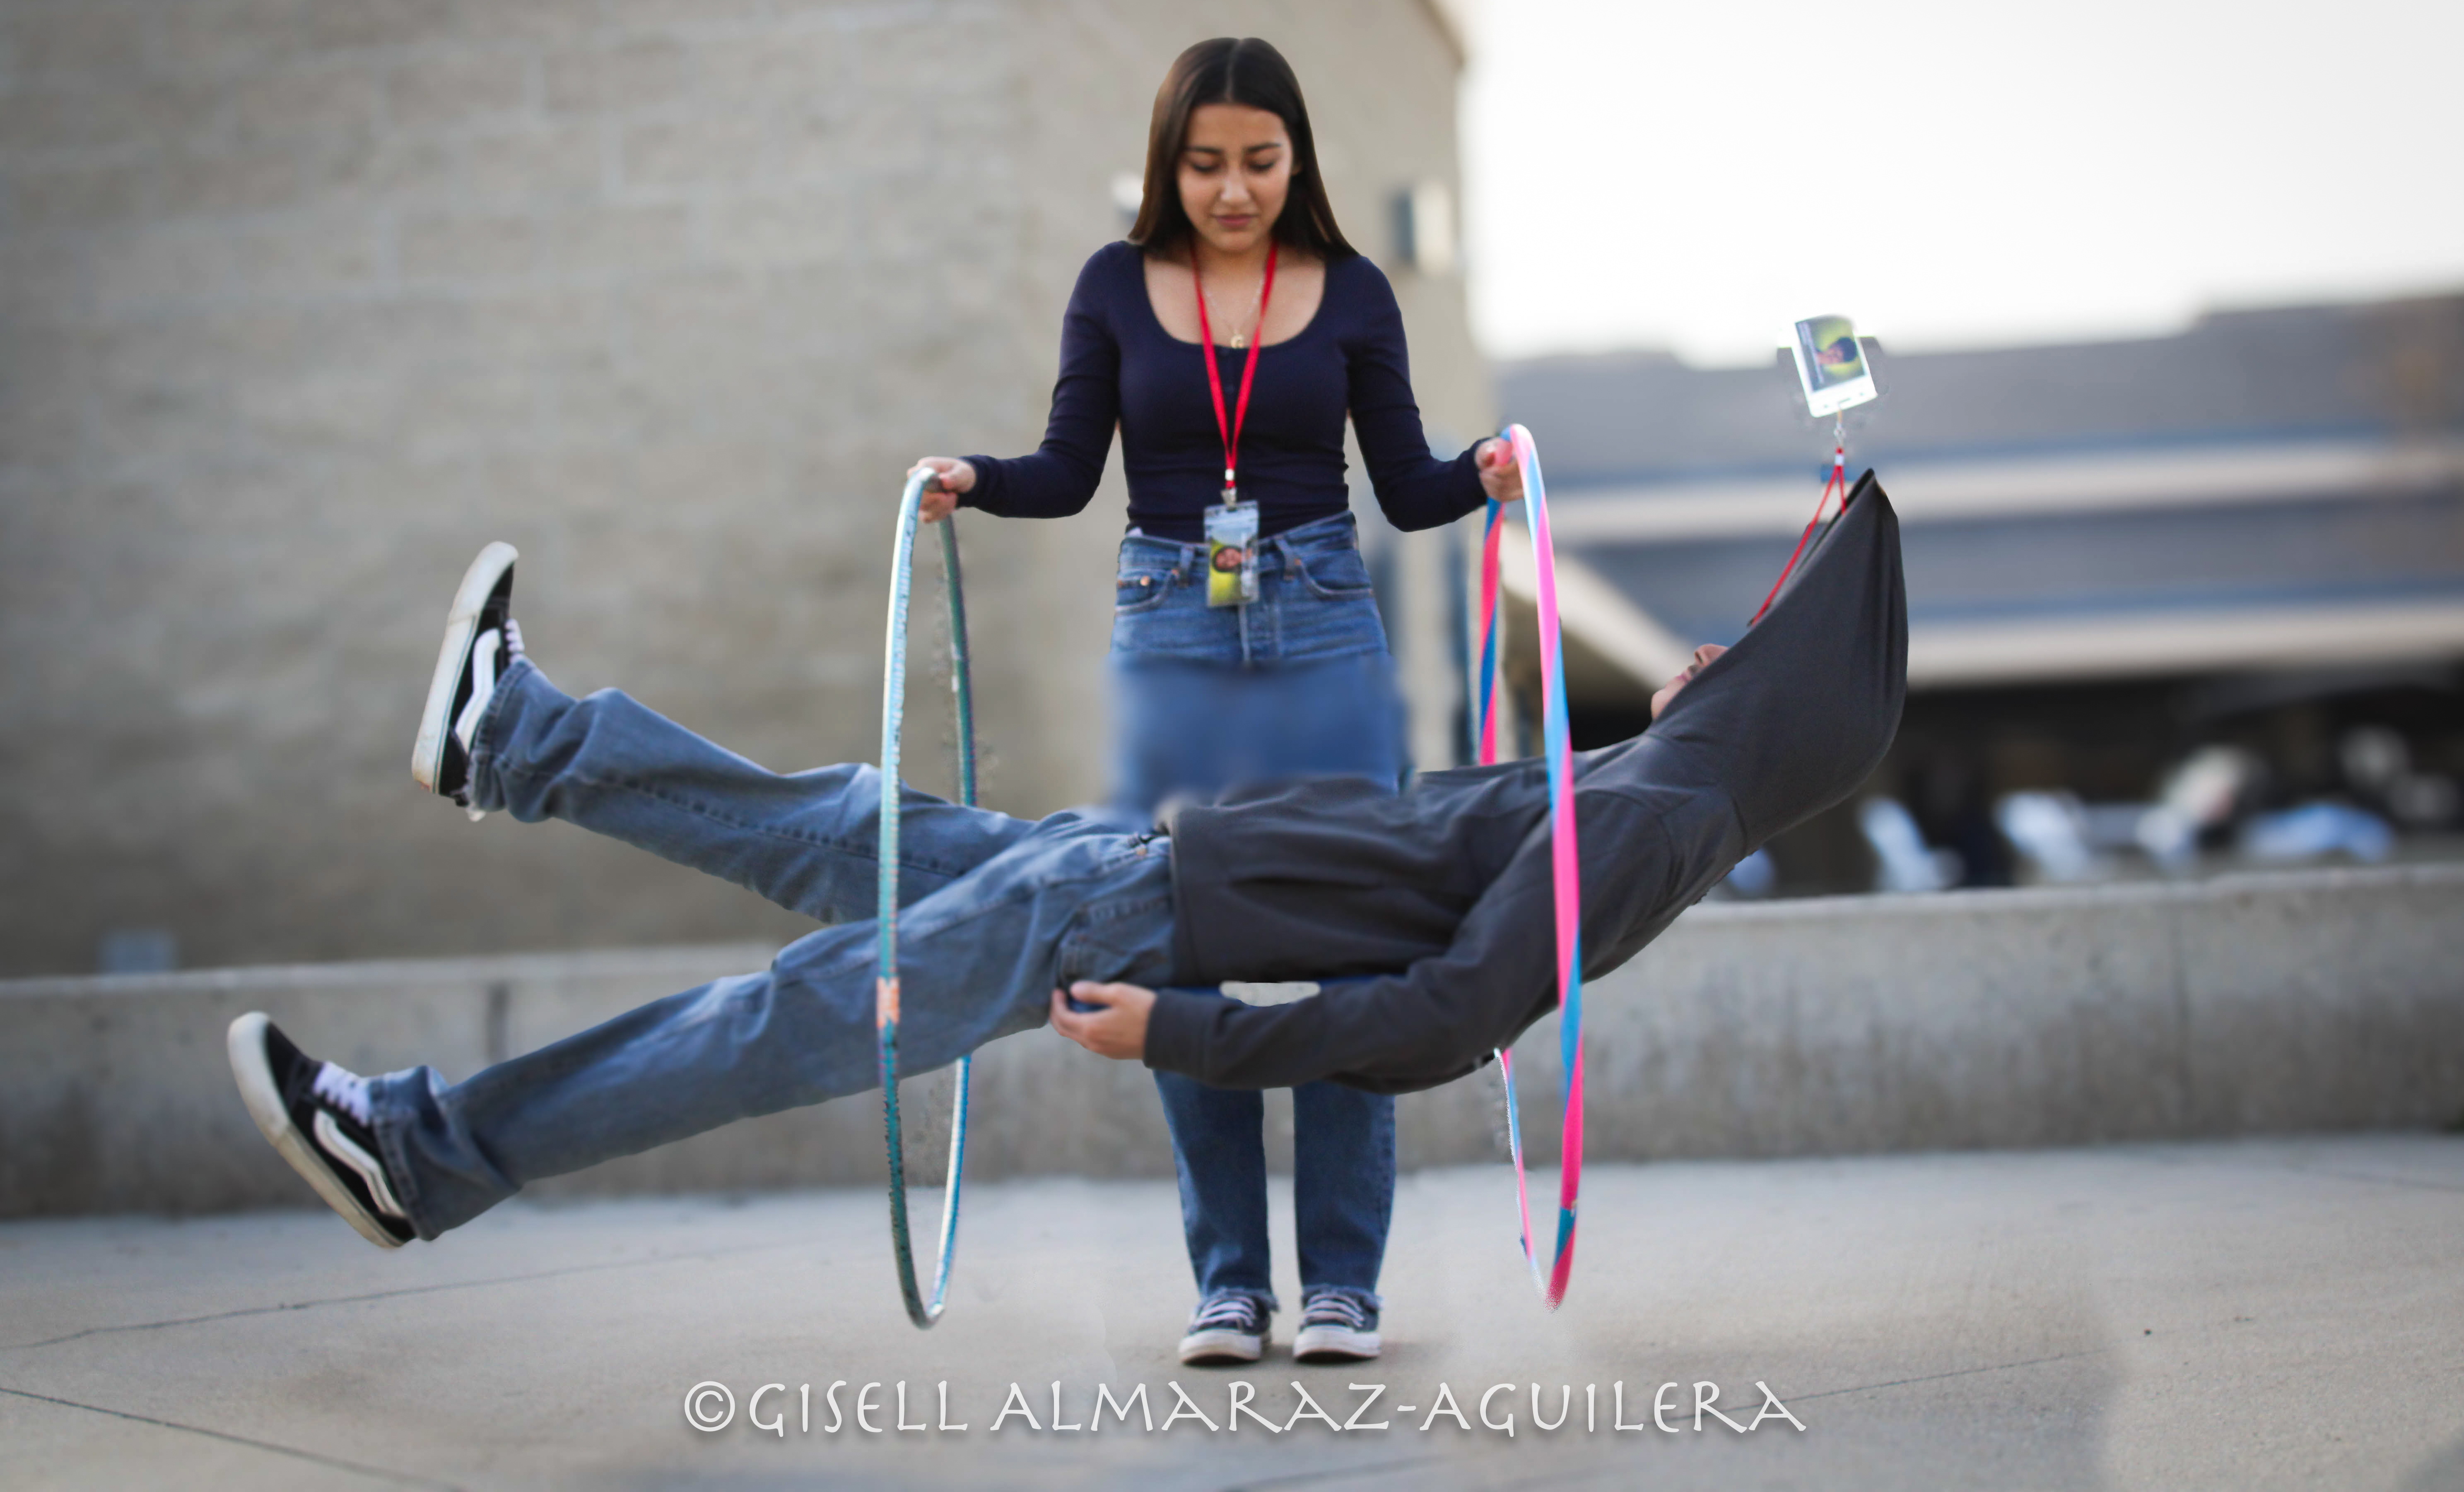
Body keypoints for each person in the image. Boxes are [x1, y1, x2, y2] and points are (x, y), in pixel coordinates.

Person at [230, 474, 1905, 1279]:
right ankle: (518, 740)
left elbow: (1456, 1012)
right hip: (1139, 863)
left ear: (1773, 693)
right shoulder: (1648, 782)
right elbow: (1422, 904)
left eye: (1747, 637)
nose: (1703, 647)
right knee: (845, 821)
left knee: (787, 1020)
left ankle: (422, 1152)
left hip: (1139, 916)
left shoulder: (1661, 813)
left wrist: (1180, 1033)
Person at [907, 37, 1523, 1365]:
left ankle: (1345, 1284)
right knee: (1179, 934)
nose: (1232, 190)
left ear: (1296, 158)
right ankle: (1230, 1285)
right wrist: (977, 476)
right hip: (1169, 623)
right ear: (1165, 164)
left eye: (1258, 161)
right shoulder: (1115, 286)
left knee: (1357, 934)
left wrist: (1487, 467)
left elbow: (1409, 486)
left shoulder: (1353, 291)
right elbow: (1070, 470)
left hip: (1323, 620)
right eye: (1204, 164)